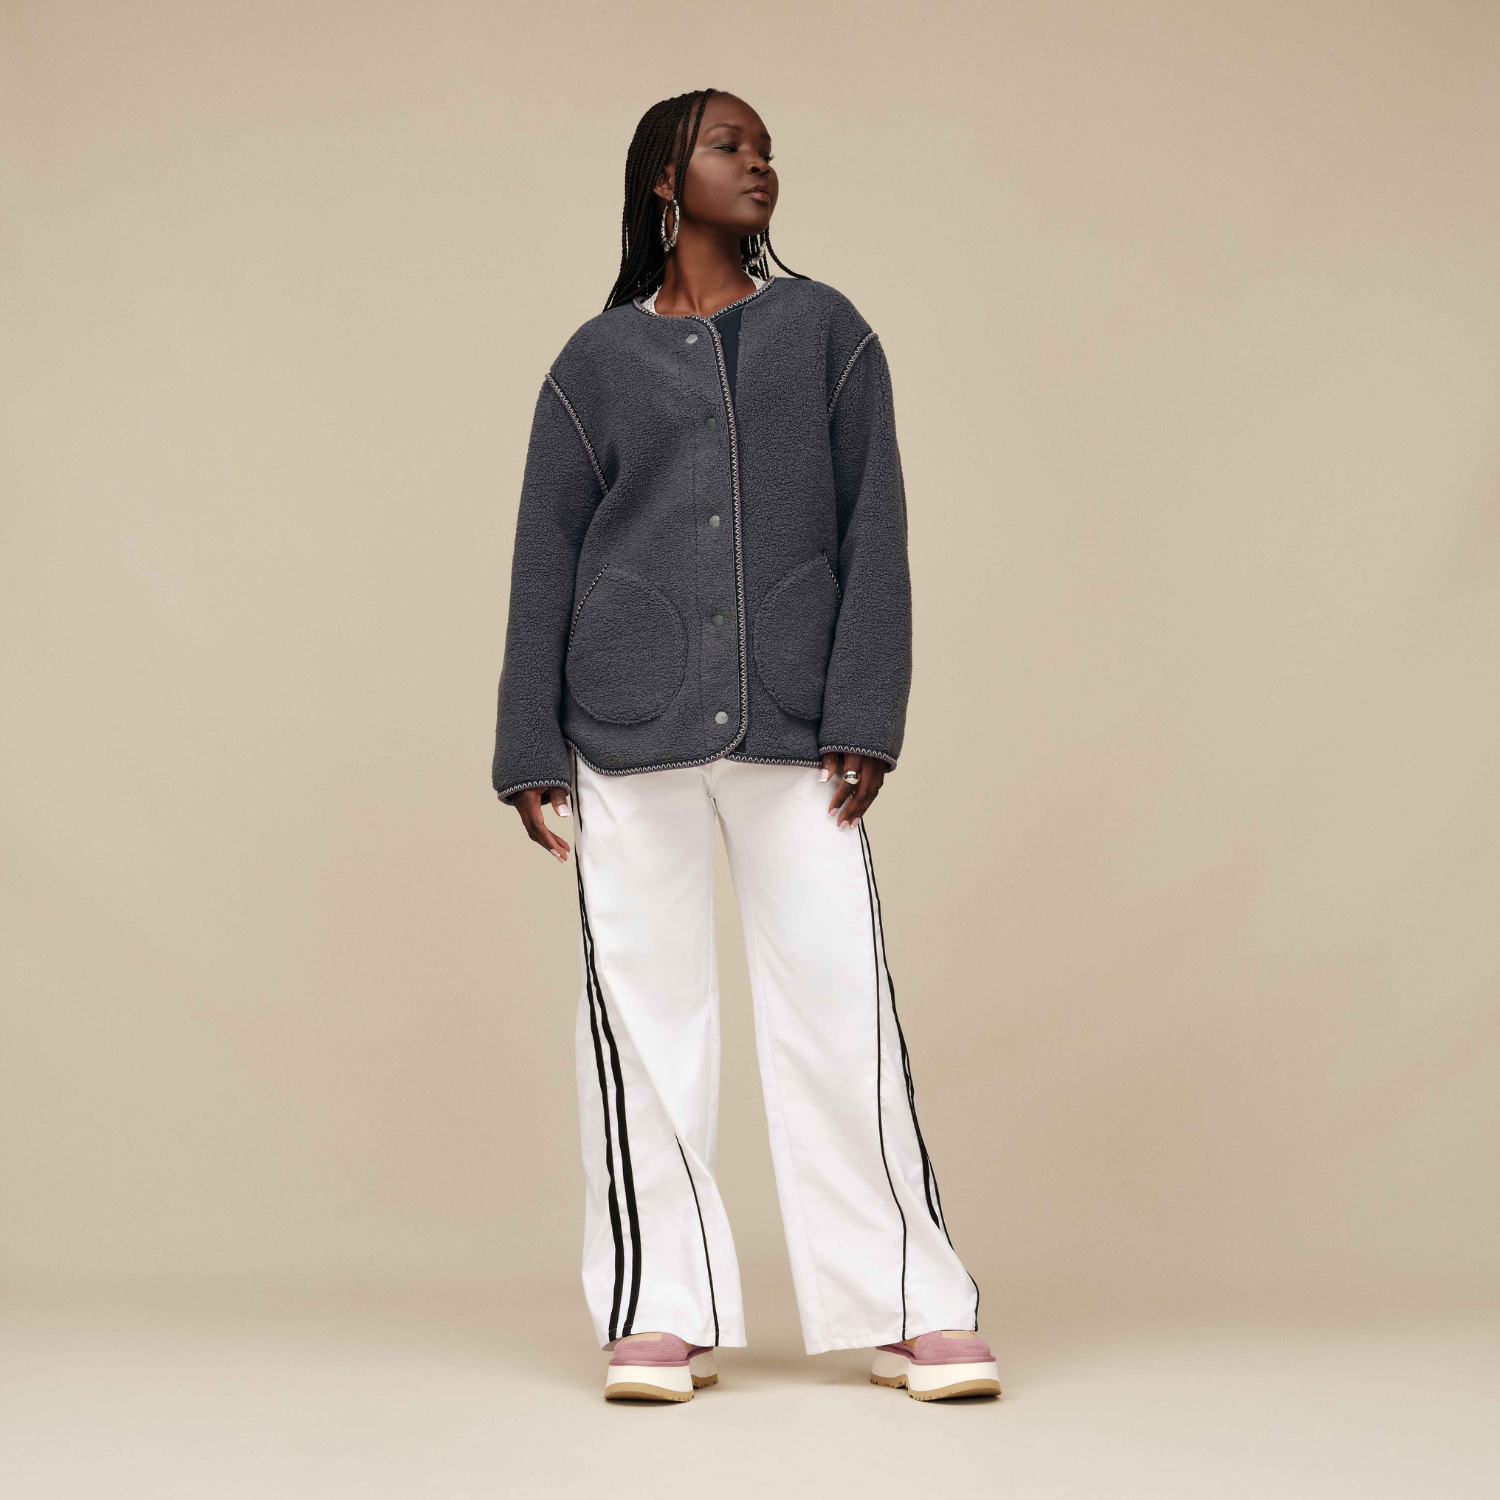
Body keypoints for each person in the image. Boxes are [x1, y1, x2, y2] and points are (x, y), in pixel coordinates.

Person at [492, 88, 998, 1404]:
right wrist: (528, 740)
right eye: (729, 146)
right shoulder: (594, 363)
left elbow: (876, 528)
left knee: (842, 1002)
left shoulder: (828, 334)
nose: (758, 164)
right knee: (645, 1016)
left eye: (767, 148)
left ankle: (911, 1301)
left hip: (795, 721)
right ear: (667, 177)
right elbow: (545, 553)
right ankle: (658, 1308)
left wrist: (866, 712)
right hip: (623, 722)